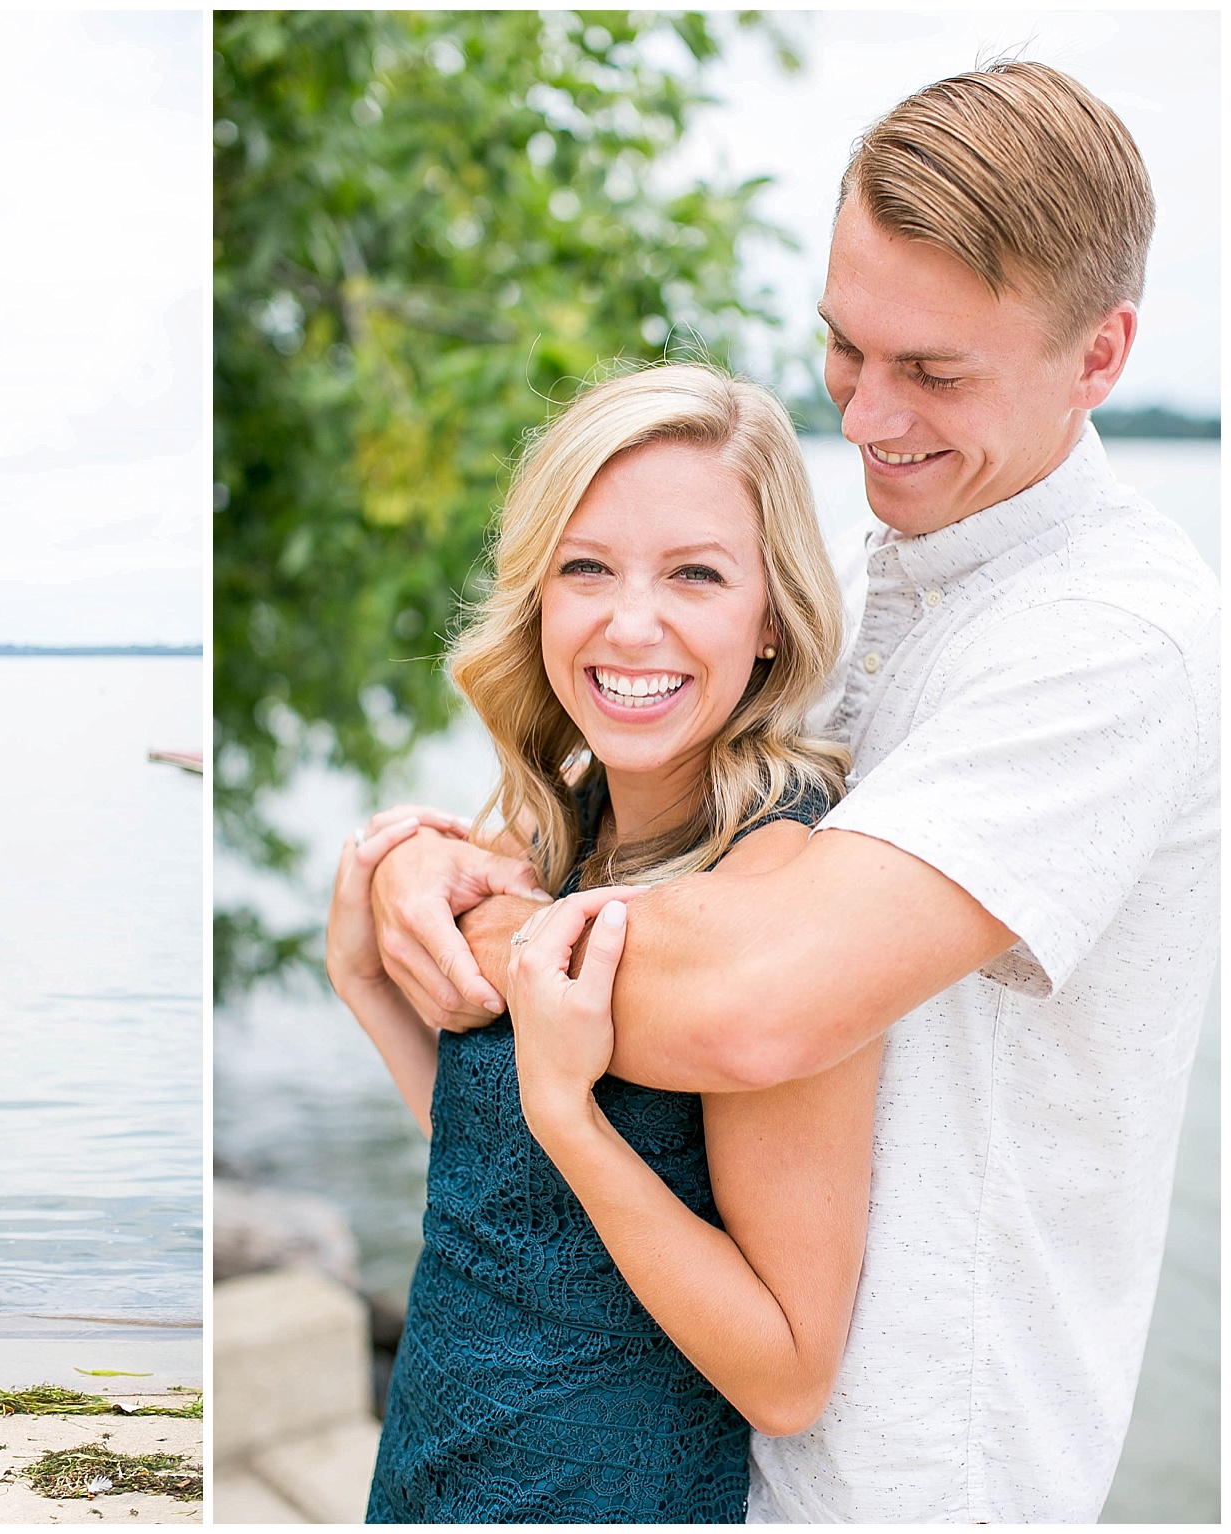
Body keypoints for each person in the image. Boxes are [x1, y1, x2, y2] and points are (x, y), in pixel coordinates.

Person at [363, 62, 1218, 1522]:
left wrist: (485, 933)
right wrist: (418, 867)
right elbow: (669, 846)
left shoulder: (1112, 637)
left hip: (922, 1474)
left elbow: (764, 997)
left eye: (934, 372)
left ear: (1100, 354)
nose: (869, 419)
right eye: (843, 347)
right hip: (695, 1446)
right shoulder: (892, 585)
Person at [330, 363, 871, 1521]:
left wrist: (574, 1120)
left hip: (599, 1486)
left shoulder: (779, 884)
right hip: (436, 1454)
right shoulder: (569, 818)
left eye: (694, 573)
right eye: (586, 567)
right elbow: (507, 1193)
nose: (631, 622)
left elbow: (787, 1372)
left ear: (769, 614)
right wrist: (368, 983)